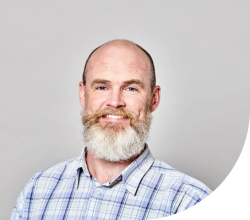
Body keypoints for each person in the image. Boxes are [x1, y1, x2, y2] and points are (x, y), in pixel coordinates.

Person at [10, 40, 211, 220]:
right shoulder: (38, 191)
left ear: (154, 99)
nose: (115, 102)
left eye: (131, 88)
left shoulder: (189, 201)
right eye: (101, 87)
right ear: (83, 94)